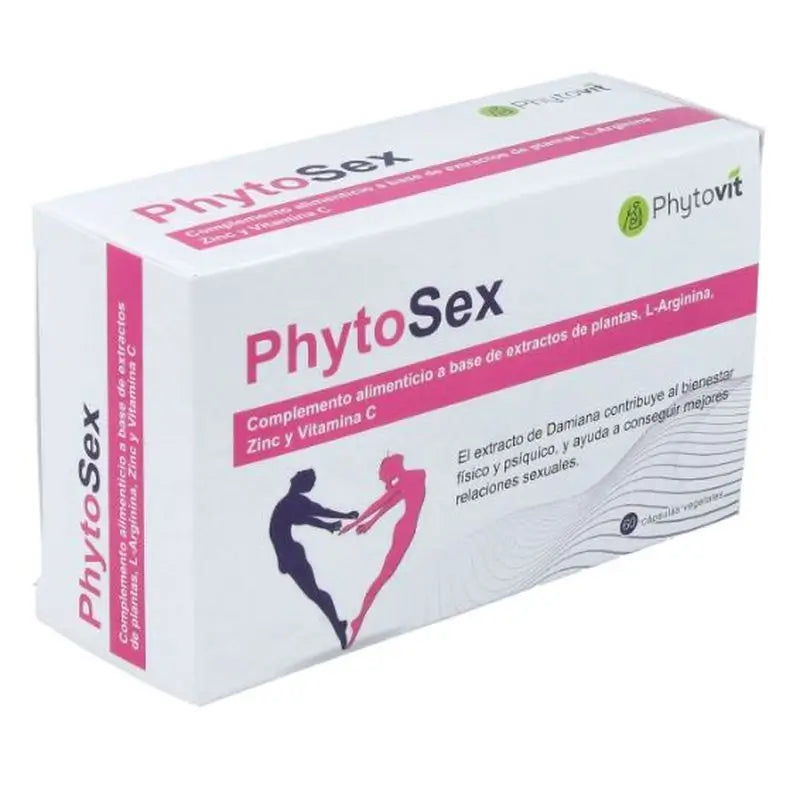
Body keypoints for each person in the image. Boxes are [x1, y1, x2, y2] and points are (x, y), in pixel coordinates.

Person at [339, 454, 426, 646]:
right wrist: (358, 524)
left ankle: (359, 619)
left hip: (405, 528)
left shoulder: (410, 479)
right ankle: (359, 619)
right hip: (405, 529)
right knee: (383, 576)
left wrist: (367, 523)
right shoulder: (414, 477)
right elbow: (381, 504)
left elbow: (385, 504)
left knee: (384, 576)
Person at [269, 469, 358, 649]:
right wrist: (330, 524)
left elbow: (316, 514)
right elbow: (307, 517)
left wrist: (344, 516)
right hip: (288, 554)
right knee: (315, 594)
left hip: (290, 554)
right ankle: (337, 623)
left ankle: (337, 626)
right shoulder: (291, 503)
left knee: (315, 594)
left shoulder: (295, 502)